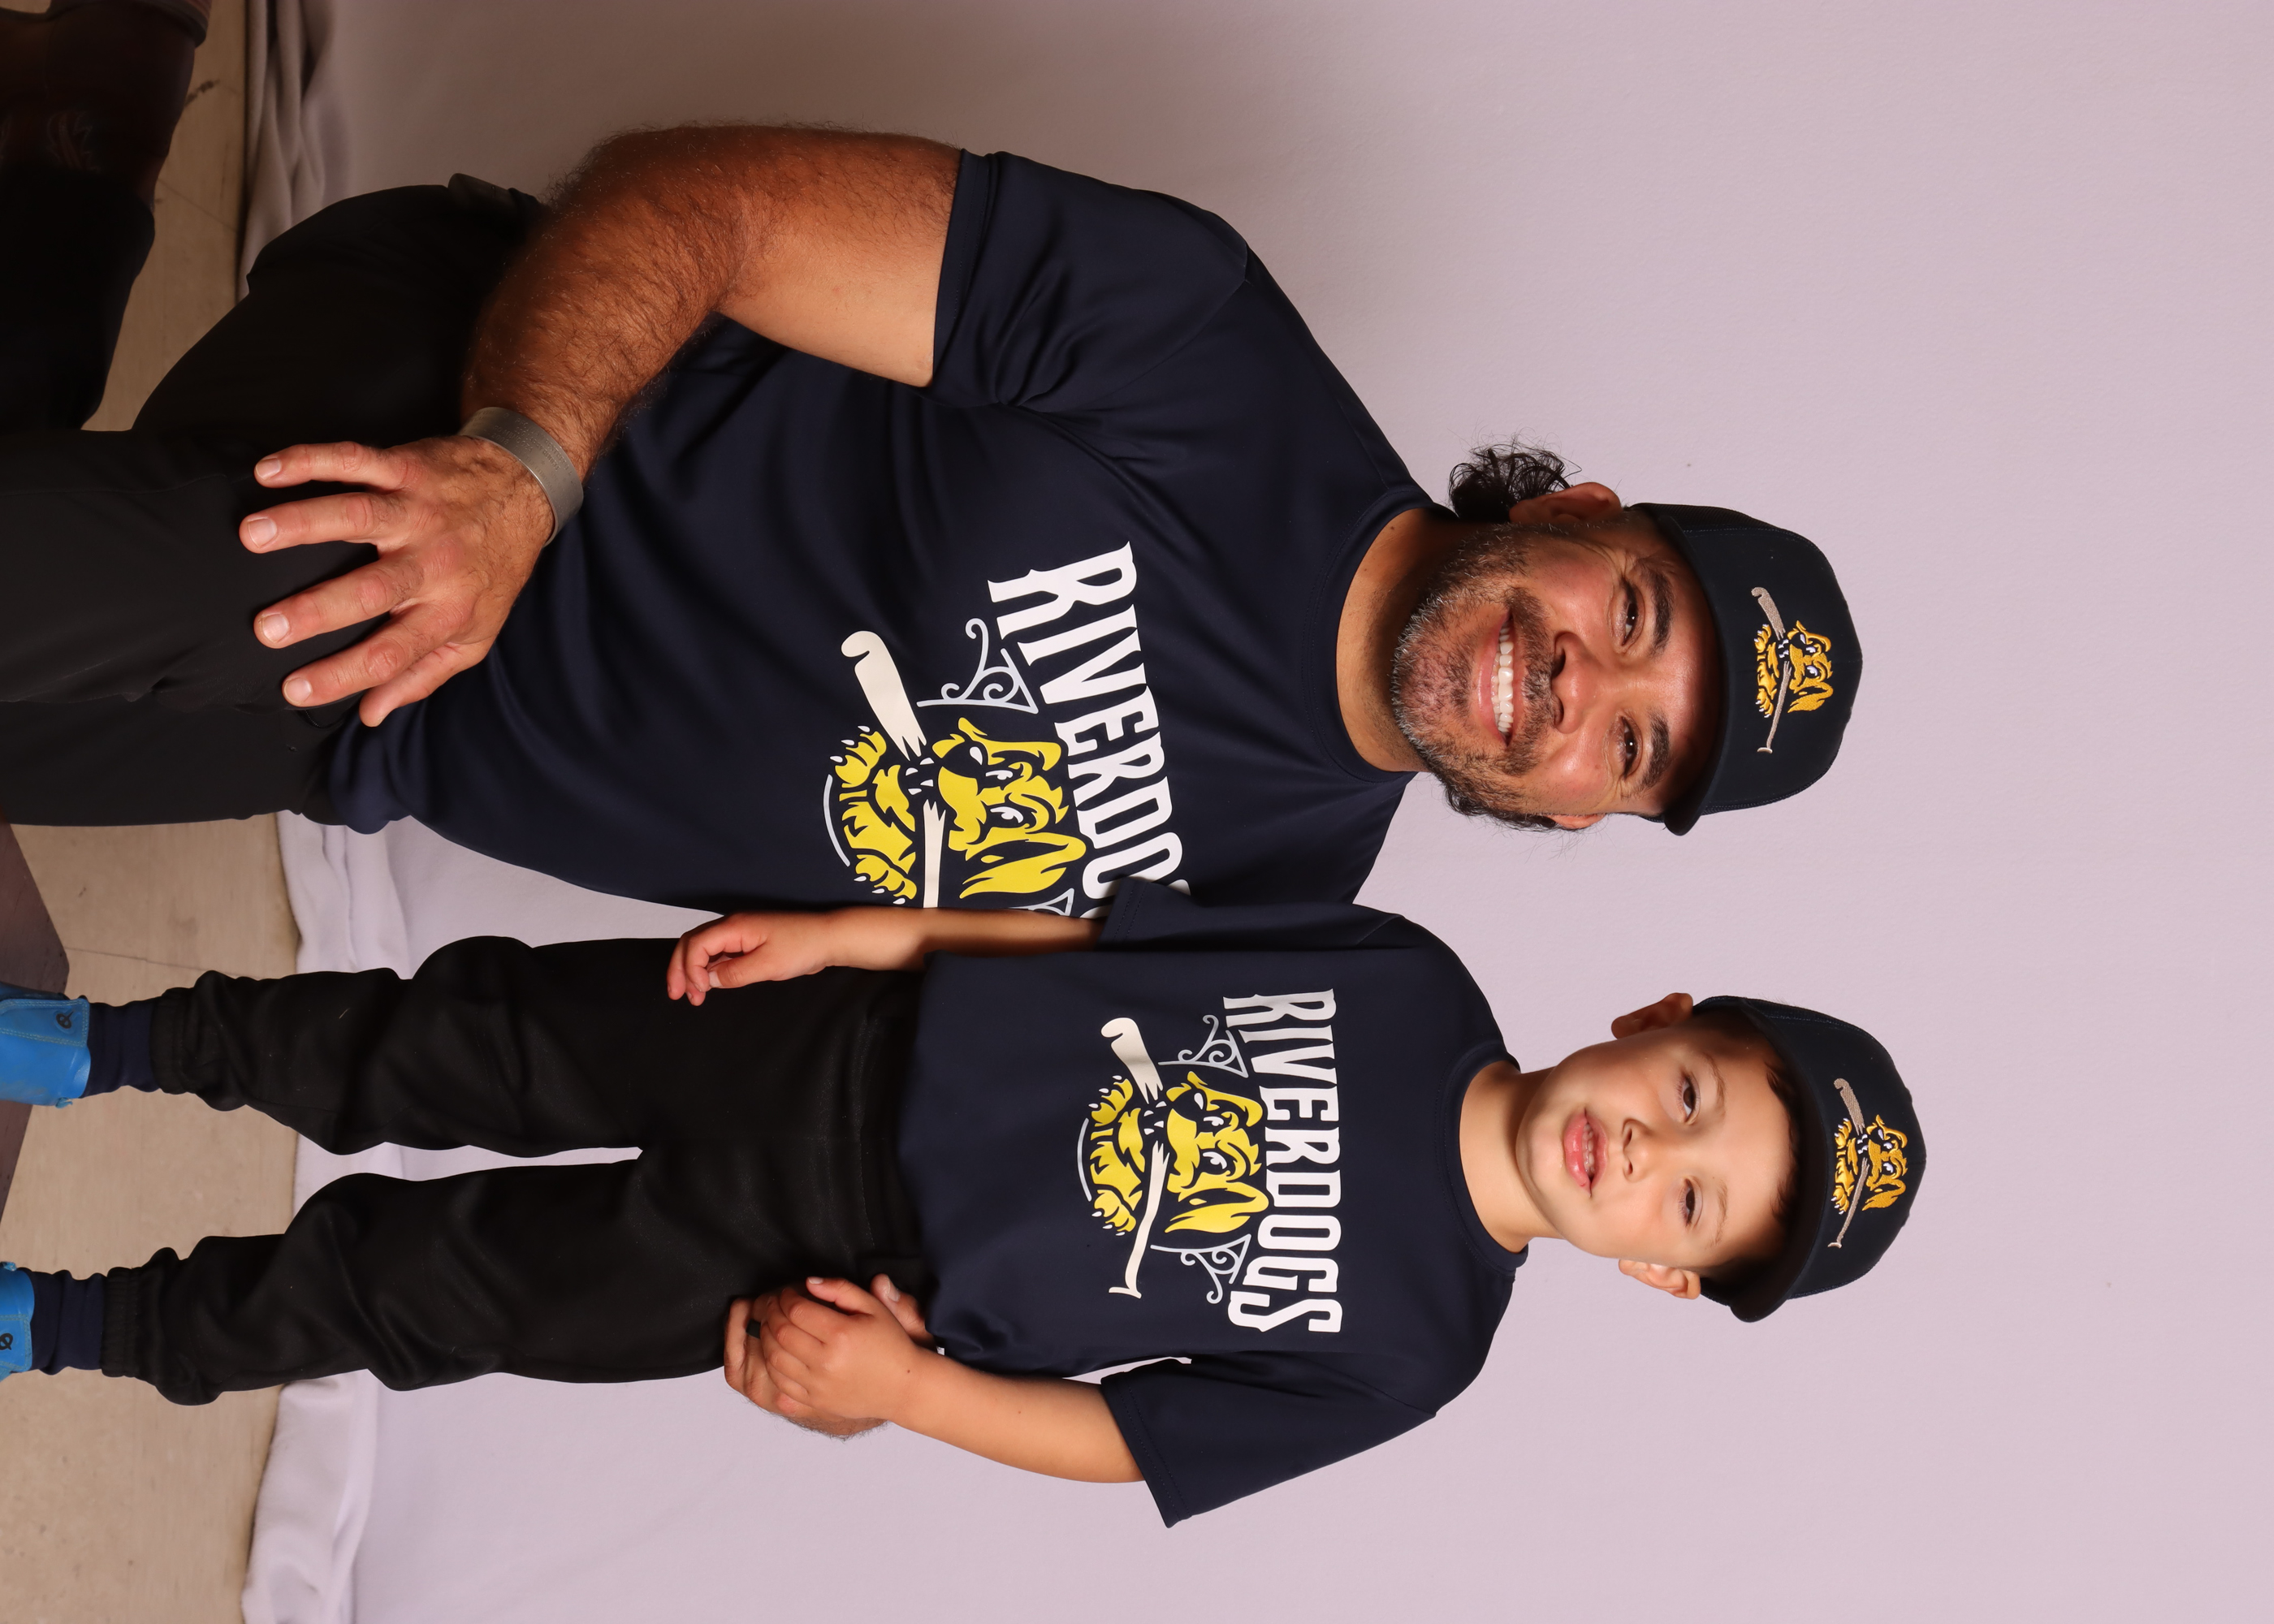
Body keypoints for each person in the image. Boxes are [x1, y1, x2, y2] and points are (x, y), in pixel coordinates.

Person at [0, 25, 1861, 915]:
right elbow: (701, 203)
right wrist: (518, 478)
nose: (1576, 689)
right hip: (457, 431)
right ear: (1573, 511)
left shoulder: (1276, 897)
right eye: (1630, 615)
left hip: (376, 743)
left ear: (1578, 818)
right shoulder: (1205, 352)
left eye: (1633, 747)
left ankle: (70, 153)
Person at [0, 881, 1925, 1523]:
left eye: (1691, 1205)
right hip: (831, 1041)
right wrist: (858, 933)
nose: (1644, 1153)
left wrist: (904, 1390)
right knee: (446, 1033)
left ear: (1663, 1279)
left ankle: (59, 1321)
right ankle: (99, 1041)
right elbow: (1096, 936)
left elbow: (1129, 1435)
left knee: (426, 1291)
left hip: (827, 1272)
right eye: (1690, 1097)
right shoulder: (1408, 974)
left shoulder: (1419, 1350)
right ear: (1654, 1018)